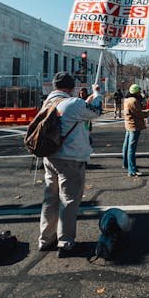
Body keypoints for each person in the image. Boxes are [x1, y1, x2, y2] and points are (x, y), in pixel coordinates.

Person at [38, 72, 102, 255]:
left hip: (50, 156)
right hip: (70, 158)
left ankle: (45, 238)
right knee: (69, 200)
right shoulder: (74, 103)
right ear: (72, 87)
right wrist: (97, 93)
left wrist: (85, 102)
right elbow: (95, 112)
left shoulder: (47, 102)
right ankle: (65, 241)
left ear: (54, 86)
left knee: (50, 199)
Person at [122, 84, 149, 177]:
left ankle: (125, 163)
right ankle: (132, 170)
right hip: (134, 125)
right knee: (131, 148)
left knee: (126, 146)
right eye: (139, 91)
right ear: (136, 92)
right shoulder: (134, 101)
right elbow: (139, 113)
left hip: (128, 124)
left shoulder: (127, 100)